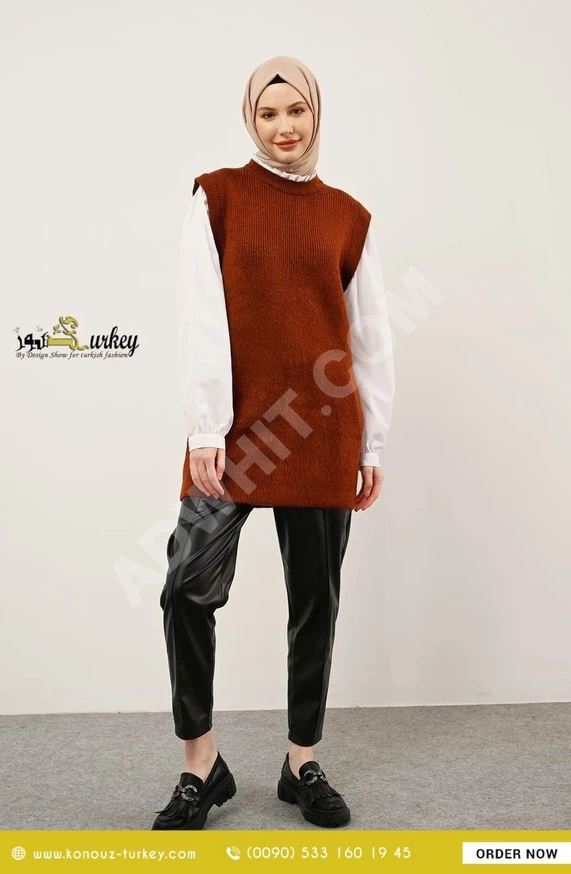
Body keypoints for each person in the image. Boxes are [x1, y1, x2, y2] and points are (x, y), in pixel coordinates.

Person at [152, 55, 395, 831]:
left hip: (323, 432)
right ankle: (201, 764)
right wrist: (205, 425)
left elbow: (369, 337)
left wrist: (371, 443)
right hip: (235, 435)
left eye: (296, 112)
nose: (283, 127)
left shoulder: (348, 216)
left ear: (315, 115)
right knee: (186, 587)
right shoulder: (218, 196)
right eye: (268, 113)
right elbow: (199, 314)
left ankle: (301, 761)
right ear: (249, 119)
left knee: (314, 603)